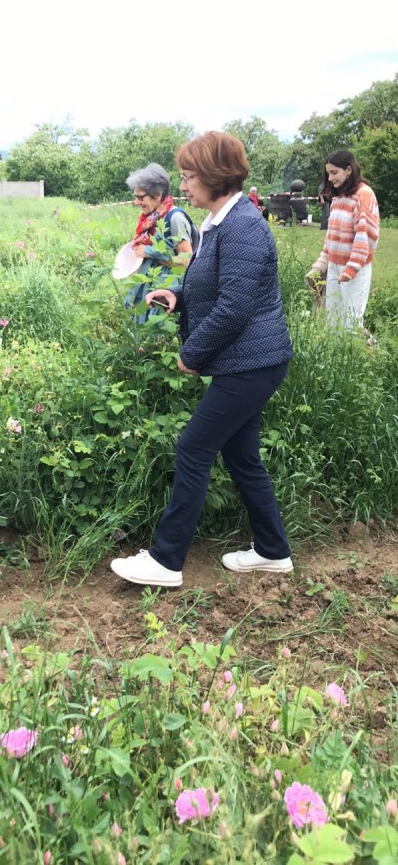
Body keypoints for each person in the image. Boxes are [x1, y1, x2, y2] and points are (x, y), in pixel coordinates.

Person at [111, 131, 294, 588]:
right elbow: (205, 282)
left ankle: (166, 561)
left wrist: (191, 355)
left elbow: (234, 307)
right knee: (241, 455)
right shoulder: (219, 221)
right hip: (245, 364)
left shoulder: (245, 226)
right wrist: (175, 294)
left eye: (190, 176)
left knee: (194, 448)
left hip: (252, 363)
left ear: (214, 177)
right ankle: (273, 552)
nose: (184, 185)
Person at [306, 151, 379, 329]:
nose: (330, 178)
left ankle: (373, 355)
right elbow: (331, 239)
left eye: (334, 173)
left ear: (348, 170)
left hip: (355, 270)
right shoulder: (338, 197)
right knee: (333, 323)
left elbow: (366, 236)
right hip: (334, 268)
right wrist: (319, 265)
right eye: (328, 173)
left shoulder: (364, 194)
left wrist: (351, 269)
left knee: (351, 326)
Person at [124, 163, 195, 323]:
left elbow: (187, 262)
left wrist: (150, 252)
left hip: (166, 294)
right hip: (150, 288)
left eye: (141, 197)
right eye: (135, 197)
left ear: (157, 195)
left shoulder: (175, 218)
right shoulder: (151, 219)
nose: (137, 202)